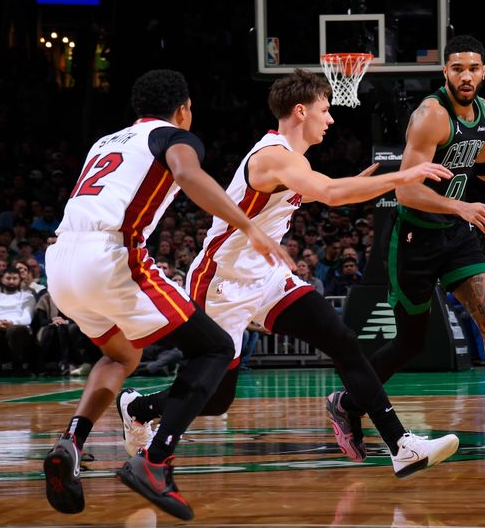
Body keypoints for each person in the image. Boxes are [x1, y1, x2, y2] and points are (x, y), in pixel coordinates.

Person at [116, 69, 459, 480]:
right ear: (301, 111)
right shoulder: (272, 155)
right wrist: (401, 176)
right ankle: (138, 408)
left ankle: (401, 446)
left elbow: (327, 189)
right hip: (223, 281)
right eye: (324, 110)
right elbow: (330, 193)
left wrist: (359, 183)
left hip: (268, 277)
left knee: (343, 340)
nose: (330, 119)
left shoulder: (294, 159)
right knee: (215, 398)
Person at [41, 69, 294, 521]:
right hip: (110, 255)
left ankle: (71, 442)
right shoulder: (174, 136)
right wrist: (249, 224)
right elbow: (186, 173)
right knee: (216, 346)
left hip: (59, 261)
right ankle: (155, 463)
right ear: (183, 108)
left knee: (120, 357)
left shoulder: (105, 142)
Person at [328, 35, 485, 476]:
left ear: (483, 72)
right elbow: (404, 187)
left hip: (456, 237)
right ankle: (347, 402)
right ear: (445, 72)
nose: (466, 75)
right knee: (409, 343)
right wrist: (461, 205)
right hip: (414, 240)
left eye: (473, 68)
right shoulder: (429, 117)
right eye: (457, 68)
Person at [0, 267, 35, 376]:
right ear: (2, 280)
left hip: (18, 329)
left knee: (16, 329)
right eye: (8, 278)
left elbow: (27, 318)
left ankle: (17, 367)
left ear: (20, 280)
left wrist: (11, 323)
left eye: (14, 278)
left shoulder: (28, 297)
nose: (11, 281)